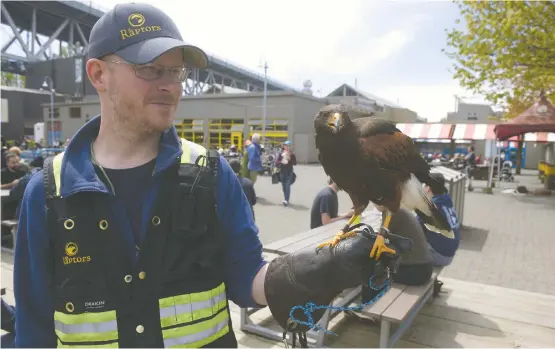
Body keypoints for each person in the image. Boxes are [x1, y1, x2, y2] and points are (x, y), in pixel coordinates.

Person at [13, 3, 402, 347]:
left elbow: (247, 278)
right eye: (150, 69)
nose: (170, 86)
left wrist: (322, 268)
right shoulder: (48, 191)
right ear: (98, 74)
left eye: (176, 71)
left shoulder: (211, 175)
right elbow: (32, 328)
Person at [418, 173, 461, 267]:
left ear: (428, 188)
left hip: (439, 255)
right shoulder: (446, 200)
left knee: (404, 245)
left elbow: (413, 227)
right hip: (449, 254)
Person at [276, 140, 296, 206]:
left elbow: (295, 163)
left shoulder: (292, 154)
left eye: (288, 146)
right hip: (282, 172)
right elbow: (277, 162)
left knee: (287, 186)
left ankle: (286, 200)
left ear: (290, 147)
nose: (286, 147)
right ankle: (285, 197)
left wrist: (290, 159)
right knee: (283, 186)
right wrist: (281, 161)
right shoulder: (281, 153)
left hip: (289, 172)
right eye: (285, 146)